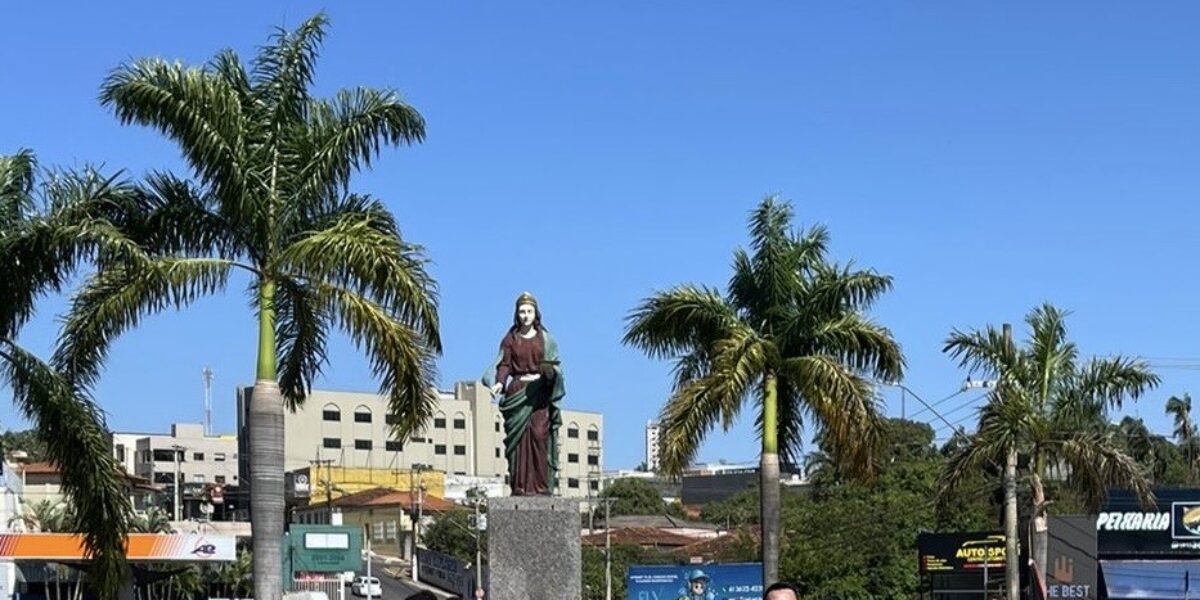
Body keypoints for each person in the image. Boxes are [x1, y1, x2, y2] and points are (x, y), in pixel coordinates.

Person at [483, 291, 565, 496]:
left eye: (529, 311)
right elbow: (504, 364)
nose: (525, 315)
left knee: (539, 435)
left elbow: (557, 366)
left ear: (536, 313)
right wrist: (500, 383)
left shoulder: (546, 339)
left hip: (539, 393)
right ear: (517, 314)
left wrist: (550, 373)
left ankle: (541, 485)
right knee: (518, 442)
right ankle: (520, 485)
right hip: (517, 392)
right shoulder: (510, 339)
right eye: (522, 311)